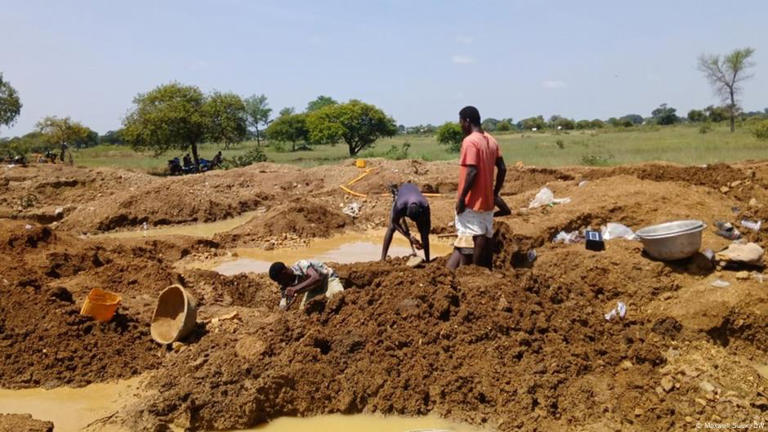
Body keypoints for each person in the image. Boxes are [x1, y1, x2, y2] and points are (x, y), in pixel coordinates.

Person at [448, 106, 507, 270]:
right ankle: (484, 270)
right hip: (487, 202)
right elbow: (502, 168)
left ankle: (472, 272)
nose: (460, 126)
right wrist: (494, 193)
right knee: (484, 235)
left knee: (470, 238)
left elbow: (472, 171)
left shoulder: (470, 141)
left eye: (460, 122)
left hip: (472, 202)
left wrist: (462, 198)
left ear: (467, 121)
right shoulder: (491, 140)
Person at [381, 183, 431, 263]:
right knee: (391, 227)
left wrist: (423, 243)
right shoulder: (400, 206)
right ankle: (382, 259)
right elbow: (395, 222)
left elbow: (426, 230)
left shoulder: (425, 206)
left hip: (413, 195)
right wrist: (409, 237)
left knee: (424, 233)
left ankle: (428, 260)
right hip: (403, 194)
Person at [269, 260, 344, 310]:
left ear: (284, 272)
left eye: (279, 280)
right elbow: (285, 302)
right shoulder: (286, 284)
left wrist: (296, 288)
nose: (279, 283)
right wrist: (284, 308)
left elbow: (315, 277)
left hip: (328, 279)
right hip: (313, 289)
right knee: (304, 310)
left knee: (339, 298)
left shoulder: (301, 264)